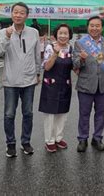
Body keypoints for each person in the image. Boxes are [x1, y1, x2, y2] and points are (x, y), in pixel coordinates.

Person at [0, 2, 41, 158]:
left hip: (29, 80)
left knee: (28, 113)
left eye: (22, 13)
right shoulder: (3, 32)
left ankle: (25, 142)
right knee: (9, 114)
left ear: (26, 15)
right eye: (15, 12)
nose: (18, 15)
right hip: (10, 80)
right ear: (11, 14)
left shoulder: (33, 32)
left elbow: (36, 55)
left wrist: (38, 72)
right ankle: (11, 144)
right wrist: (7, 37)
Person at [73, 16, 104, 152]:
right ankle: (82, 139)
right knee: (84, 114)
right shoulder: (80, 43)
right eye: (92, 25)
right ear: (88, 26)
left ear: (101, 27)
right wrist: (82, 59)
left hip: (102, 84)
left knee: (100, 114)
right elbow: (75, 65)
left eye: (97, 26)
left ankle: (97, 138)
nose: (94, 28)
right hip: (85, 84)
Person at [39, 23, 74, 153]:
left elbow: (74, 67)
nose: (63, 36)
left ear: (69, 36)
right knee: (50, 114)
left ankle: (59, 138)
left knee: (62, 113)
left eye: (66, 33)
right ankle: (49, 140)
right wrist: (55, 53)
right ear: (56, 34)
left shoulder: (71, 48)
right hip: (51, 85)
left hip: (65, 85)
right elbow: (47, 67)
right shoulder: (50, 47)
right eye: (60, 33)